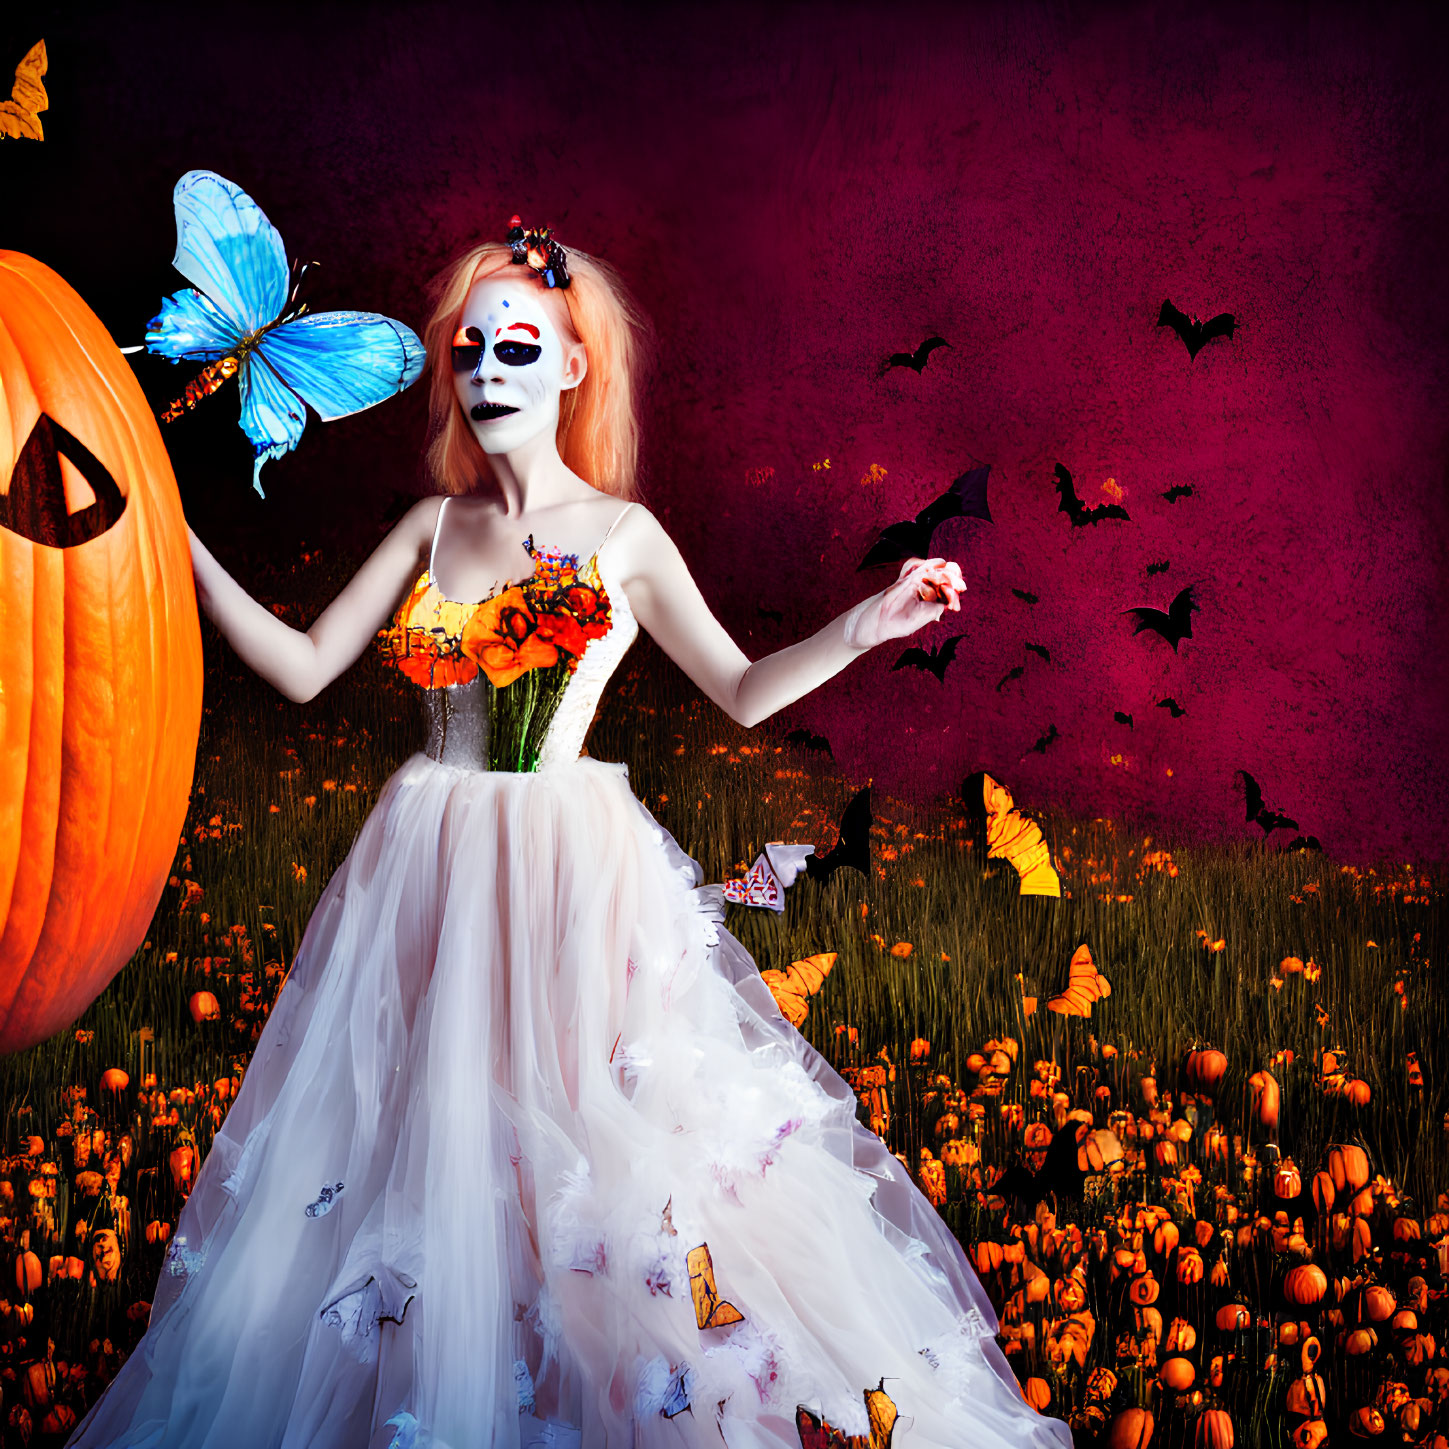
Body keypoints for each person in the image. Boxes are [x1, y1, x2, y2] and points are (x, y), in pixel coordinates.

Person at [66, 227, 1071, 1449]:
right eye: (469, 349)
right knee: (423, 1128)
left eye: (519, 348)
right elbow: (302, 667)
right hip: (430, 854)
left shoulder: (624, 537)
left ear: (576, 370)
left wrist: (870, 621)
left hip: (571, 865)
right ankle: (448, 1381)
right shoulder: (430, 528)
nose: (487, 370)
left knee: (591, 1130)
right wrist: (179, 540)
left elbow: (745, 690)